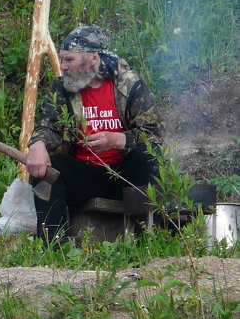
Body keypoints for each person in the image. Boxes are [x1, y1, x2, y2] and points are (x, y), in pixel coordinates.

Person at [26, 25, 164, 242]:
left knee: (148, 154)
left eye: (69, 60)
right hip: (84, 175)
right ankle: (53, 248)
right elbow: (47, 125)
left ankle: (145, 242)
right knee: (46, 166)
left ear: (92, 58)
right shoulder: (61, 88)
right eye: (62, 59)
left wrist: (118, 140)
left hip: (124, 176)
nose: (62, 66)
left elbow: (154, 134)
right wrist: (38, 144)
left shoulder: (129, 86)